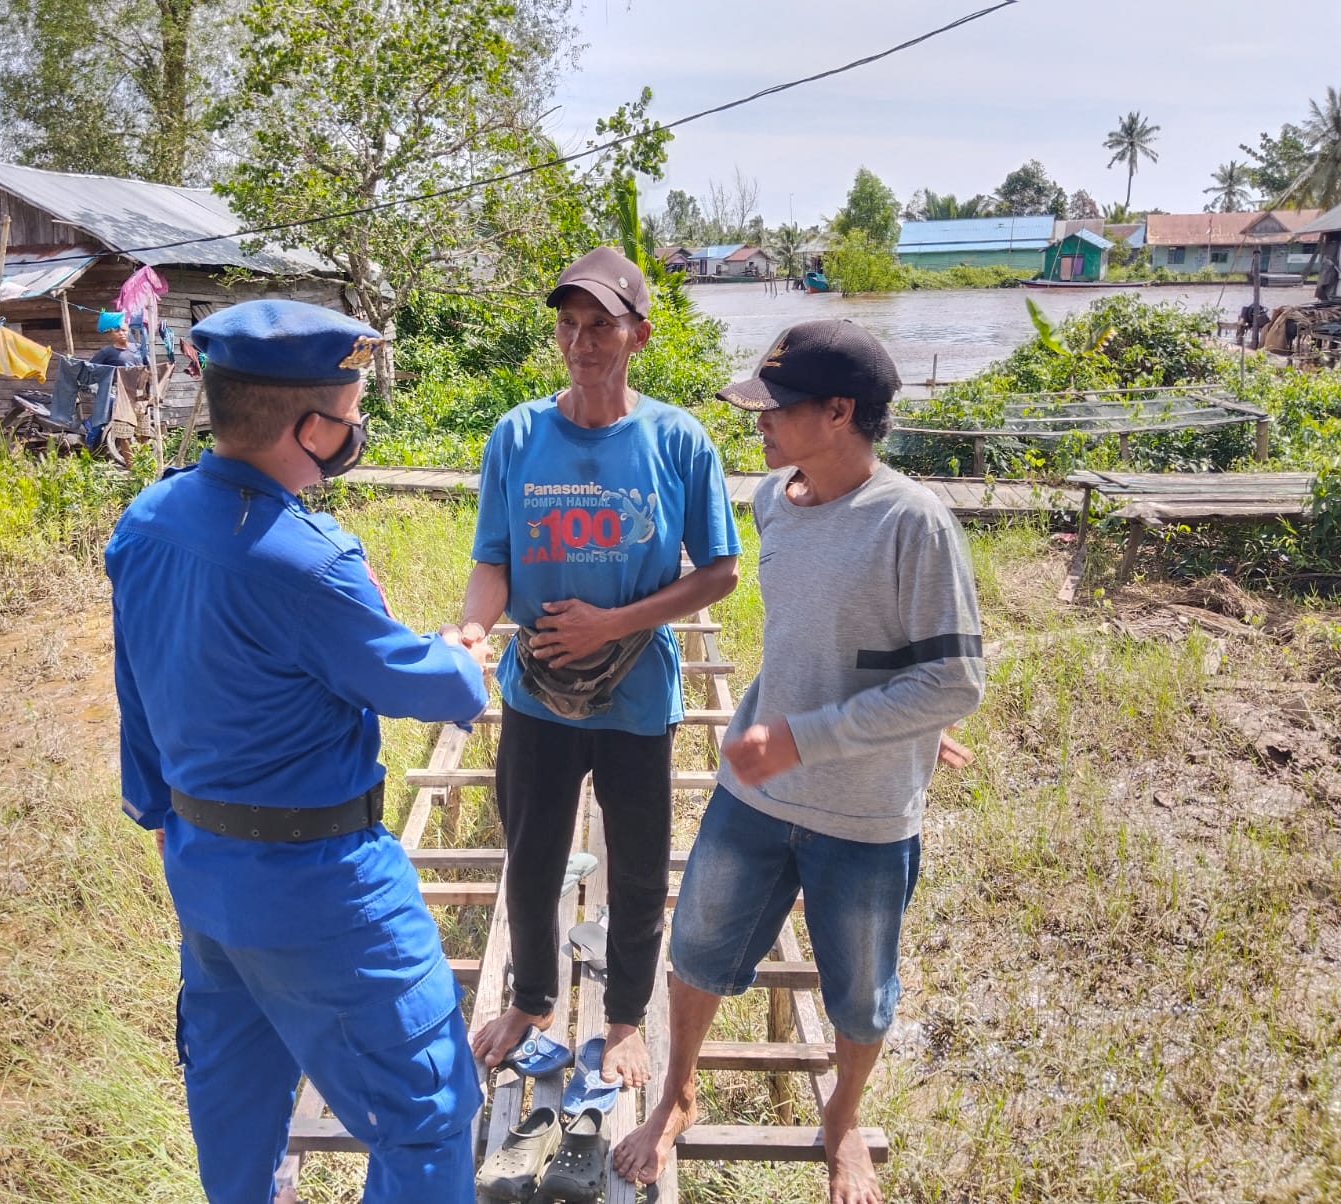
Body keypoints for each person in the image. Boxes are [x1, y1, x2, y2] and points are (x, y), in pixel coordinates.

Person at [105, 299, 490, 1204]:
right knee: (427, 1111)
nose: (354, 437)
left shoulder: (148, 520)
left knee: (234, 1103)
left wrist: (161, 815)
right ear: (311, 427)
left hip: (206, 871)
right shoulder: (307, 562)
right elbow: (431, 688)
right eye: (350, 422)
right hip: (324, 889)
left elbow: (135, 689)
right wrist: (463, 655)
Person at [615, 319, 986, 1204]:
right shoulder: (774, 502)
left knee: (860, 992)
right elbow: (835, 639)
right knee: (697, 943)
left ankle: (843, 1120)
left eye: (777, 410)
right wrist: (865, 716)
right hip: (758, 788)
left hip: (862, 809)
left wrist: (818, 735)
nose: (761, 426)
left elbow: (956, 678)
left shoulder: (913, 522)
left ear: (840, 412)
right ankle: (677, 1096)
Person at [459, 247, 741, 1089]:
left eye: (602, 325)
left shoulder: (677, 441)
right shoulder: (517, 434)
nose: (582, 342)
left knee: (640, 862)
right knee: (535, 855)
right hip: (537, 690)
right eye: (569, 325)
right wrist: (473, 628)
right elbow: (492, 560)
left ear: (639, 335)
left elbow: (720, 570)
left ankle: (624, 1020)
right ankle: (532, 999)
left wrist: (612, 623)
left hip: (637, 693)